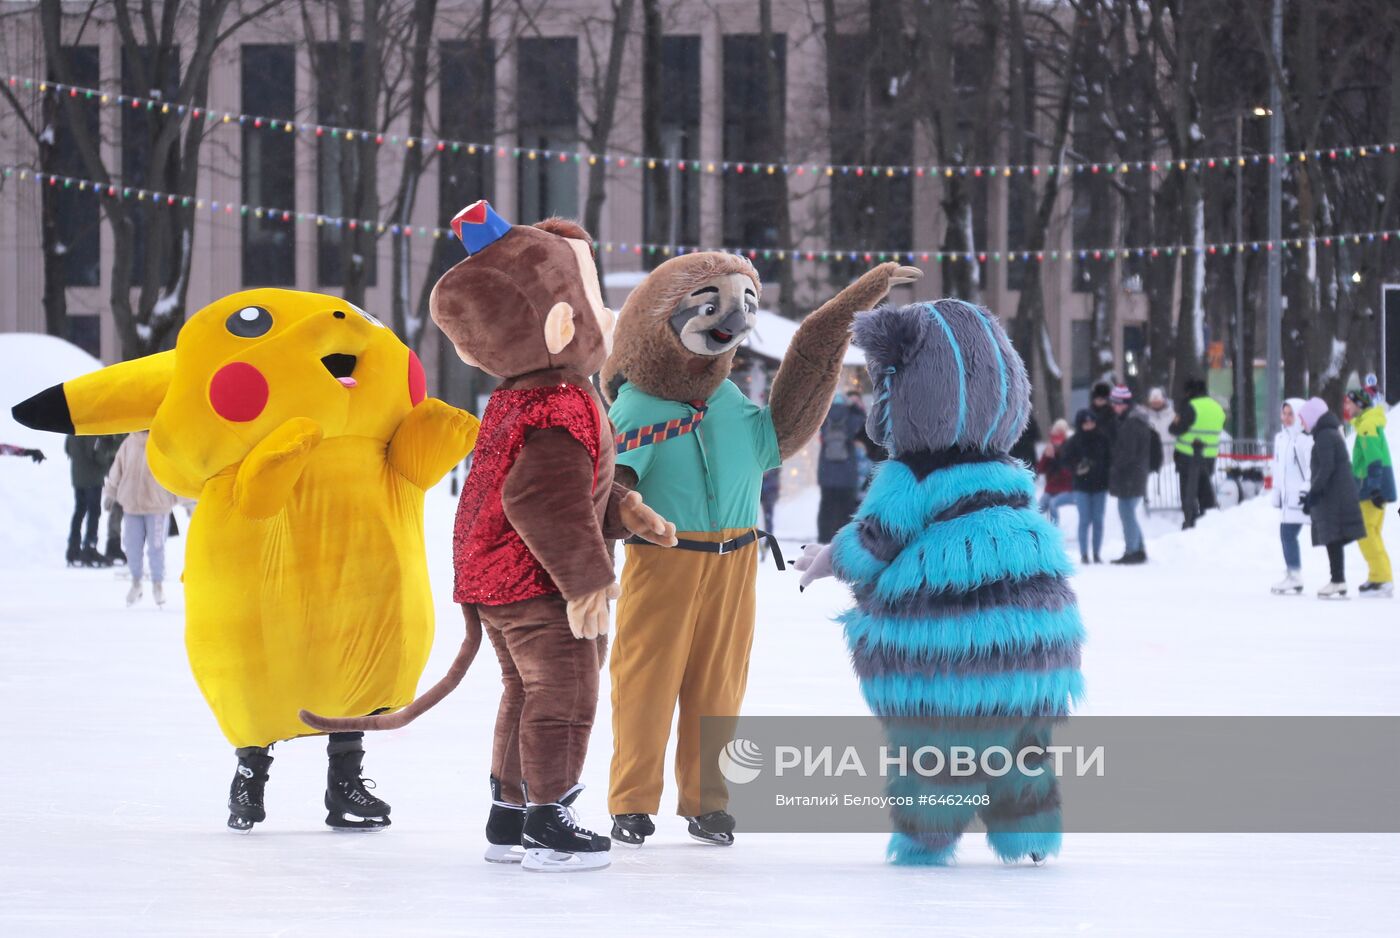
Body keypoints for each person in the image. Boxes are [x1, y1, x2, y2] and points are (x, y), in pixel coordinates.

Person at [793, 298, 1082, 866]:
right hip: (1037, 639)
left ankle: (927, 833)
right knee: (1019, 742)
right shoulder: (1005, 468)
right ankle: (1028, 833)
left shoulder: (911, 475)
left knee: (935, 742)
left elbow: (873, 544)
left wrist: (824, 558)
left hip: (945, 645)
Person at [1297, 397, 1366, 599]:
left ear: (1312, 417)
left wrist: (1314, 493)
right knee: (1332, 537)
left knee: (1333, 537)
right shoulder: (1327, 433)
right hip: (1336, 492)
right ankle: (1338, 580)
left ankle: (1338, 580)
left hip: (1334, 495)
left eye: (1303, 419)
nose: (1302, 423)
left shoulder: (1325, 436)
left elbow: (1327, 467)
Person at [103, 430, 179, 607]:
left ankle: (157, 585)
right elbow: (117, 470)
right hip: (131, 505)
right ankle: (136, 582)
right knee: (132, 546)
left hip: (158, 506)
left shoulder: (163, 443)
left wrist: (189, 503)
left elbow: (177, 473)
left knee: (156, 547)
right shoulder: (129, 442)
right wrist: (110, 493)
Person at [1343, 389, 1395, 597]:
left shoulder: (1367, 426)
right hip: (1372, 487)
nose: (1346, 407)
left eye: (1349, 403)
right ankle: (1379, 577)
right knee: (1372, 533)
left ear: (1360, 405)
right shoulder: (1367, 424)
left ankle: (1381, 579)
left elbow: (1374, 459)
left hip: (1371, 489)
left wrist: (1374, 488)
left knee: (1366, 534)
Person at [1269, 398, 1313, 595]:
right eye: (1284, 413)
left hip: (1301, 497)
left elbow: (1312, 467)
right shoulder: (1281, 439)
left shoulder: (1304, 439)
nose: (1286, 418)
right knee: (1286, 534)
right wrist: (1277, 493)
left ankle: (1294, 575)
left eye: (1290, 414)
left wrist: (1307, 489)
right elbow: (1278, 468)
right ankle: (1293, 573)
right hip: (1288, 498)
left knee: (1287, 534)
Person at [1170, 377, 1225, 529]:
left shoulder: (1190, 406)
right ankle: (1208, 521)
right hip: (1209, 457)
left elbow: (1175, 429)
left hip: (1188, 456)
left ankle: (1191, 522)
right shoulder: (1217, 407)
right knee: (1205, 490)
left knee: (1188, 493)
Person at [1108, 386, 1154, 564]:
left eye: (1116, 404)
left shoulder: (1132, 423)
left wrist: (1115, 467)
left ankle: (1132, 550)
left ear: (1124, 404)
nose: (1114, 407)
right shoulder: (1133, 420)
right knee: (1129, 512)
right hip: (1135, 474)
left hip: (1130, 476)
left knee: (1126, 512)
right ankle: (1139, 548)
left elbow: (1127, 453)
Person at [816, 393, 868, 543]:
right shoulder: (850, 416)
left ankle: (824, 539)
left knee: (826, 507)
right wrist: (855, 408)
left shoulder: (823, 416)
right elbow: (862, 420)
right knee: (846, 510)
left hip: (826, 474)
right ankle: (843, 541)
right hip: (847, 474)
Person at [1060, 408, 1111, 563]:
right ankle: (1084, 554)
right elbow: (1065, 461)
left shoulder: (1102, 439)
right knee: (1084, 520)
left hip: (1100, 486)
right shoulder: (1074, 441)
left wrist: (1099, 467)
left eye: (1091, 422)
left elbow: (1109, 459)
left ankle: (1096, 553)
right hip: (1081, 487)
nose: (1089, 425)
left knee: (1098, 520)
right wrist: (1077, 466)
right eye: (1085, 423)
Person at [64, 434, 119, 567]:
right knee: (94, 512)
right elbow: (97, 455)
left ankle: (73, 548)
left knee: (79, 511)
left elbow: (67, 449)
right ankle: (90, 546)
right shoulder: (91, 432)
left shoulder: (72, 431)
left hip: (77, 477)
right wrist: (109, 459)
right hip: (92, 478)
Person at [1035, 419, 1075, 524]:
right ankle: (1035, 531)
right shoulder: (1049, 449)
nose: (1056, 441)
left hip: (1066, 489)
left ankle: (1054, 530)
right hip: (1051, 488)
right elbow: (1039, 469)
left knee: (1053, 504)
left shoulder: (1070, 449)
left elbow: (1068, 473)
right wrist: (1046, 457)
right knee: (1038, 508)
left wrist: (1055, 458)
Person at [1144, 387, 1177, 465]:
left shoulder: (1173, 416)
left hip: (1170, 464)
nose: (1156, 404)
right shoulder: (1145, 417)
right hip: (1151, 463)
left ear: (1164, 401)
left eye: (1158, 401)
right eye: (1153, 402)